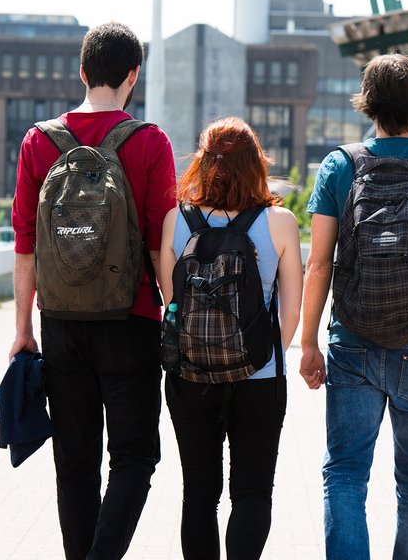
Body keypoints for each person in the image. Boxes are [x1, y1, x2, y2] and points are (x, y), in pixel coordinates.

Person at [299, 53, 408, 560]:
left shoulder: (340, 165)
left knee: (345, 473)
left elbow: (319, 263)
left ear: (368, 104)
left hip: (351, 341)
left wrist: (308, 342)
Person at [9, 22, 176, 559]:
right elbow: (162, 244)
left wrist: (23, 329)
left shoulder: (39, 141)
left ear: (83, 72)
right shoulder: (149, 142)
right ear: (134, 76)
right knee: (134, 458)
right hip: (133, 318)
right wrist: (174, 315)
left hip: (61, 322)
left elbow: (25, 244)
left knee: (75, 463)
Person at [159, 117, 303, 560]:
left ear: (202, 163)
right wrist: (257, 355)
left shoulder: (175, 220)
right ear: (256, 164)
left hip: (190, 374)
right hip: (259, 376)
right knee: (252, 491)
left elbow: (172, 300)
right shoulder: (280, 222)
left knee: (199, 494)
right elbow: (291, 313)